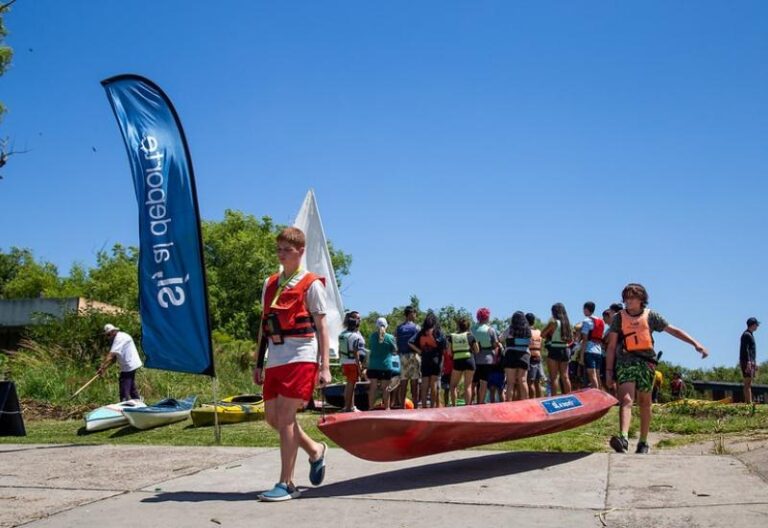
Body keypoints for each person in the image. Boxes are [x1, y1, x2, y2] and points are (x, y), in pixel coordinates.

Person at [253, 227, 331, 502]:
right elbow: (264, 326)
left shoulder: (312, 284)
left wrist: (325, 366)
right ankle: (315, 451)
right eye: (279, 249)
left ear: (301, 251)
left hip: (301, 355)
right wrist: (258, 361)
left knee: (286, 419)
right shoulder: (269, 283)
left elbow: (323, 327)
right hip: (275, 358)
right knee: (273, 418)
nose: (282, 254)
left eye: (287, 249)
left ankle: (286, 483)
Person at [606, 283, 708, 455]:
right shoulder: (619, 318)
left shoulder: (651, 316)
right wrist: (609, 372)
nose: (628, 301)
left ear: (641, 300)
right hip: (625, 361)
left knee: (645, 402)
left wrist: (695, 344)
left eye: (632, 298)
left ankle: (643, 442)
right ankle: (623, 438)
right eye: (626, 298)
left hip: (647, 363)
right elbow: (611, 346)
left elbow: (673, 330)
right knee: (626, 400)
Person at [98, 324, 143, 402]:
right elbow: (114, 358)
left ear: (113, 332)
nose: (108, 337)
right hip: (130, 364)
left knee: (124, 383)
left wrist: (102, 367)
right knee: (131, 384)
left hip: (129, 365)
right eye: (107, 335)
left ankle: (123, 402)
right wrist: (104, 368)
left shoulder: (119, 338)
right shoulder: (119, 337)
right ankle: (137, 400)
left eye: (108, 335)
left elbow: (111, 355)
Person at [409, 311, 445, 408]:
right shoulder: (438, 332)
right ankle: (432, 406)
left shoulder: (421, 332)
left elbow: (410, 342)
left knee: (424, 384)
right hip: (435, 360)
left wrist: (420, 351)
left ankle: (424, 406)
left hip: (425, 360)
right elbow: (444, 346)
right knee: (433, 384)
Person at [541, 303, 573, 395]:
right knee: (565, 376)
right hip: (566, 349)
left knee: (553, 377)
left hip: (554, 349)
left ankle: (554, 398)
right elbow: (571, 339)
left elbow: (542, 334)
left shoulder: (553, 322)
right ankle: (569, 397)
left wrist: (550, 334)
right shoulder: (567, 323)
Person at [366, 317, 398, 410]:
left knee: (373, 388)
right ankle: (387, 408)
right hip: (385, 366)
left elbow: (371, 348)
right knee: (386, 388)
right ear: (386, 326)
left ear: (376, 326)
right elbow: (395, 350)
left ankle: (370, 407)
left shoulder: (372, 336)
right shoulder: (390, 337)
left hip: (373, 366)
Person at [338, 311, 366, 412]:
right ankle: (348, 407)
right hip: (353, 362)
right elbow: (356, 352)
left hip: (344, 362)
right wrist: (359, 365)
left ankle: (350, 406)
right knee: (351, 385)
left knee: (349, 384)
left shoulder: (342, 334)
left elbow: (339, 350)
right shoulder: (355, 336)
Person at [472, 307, 500, 404]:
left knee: (473, 383)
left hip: (474, 358)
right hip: (487, 359)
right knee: (483, 383)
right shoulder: (491, 330)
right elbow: (495, 344)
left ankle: (470, 402)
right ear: (487, 317)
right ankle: (480, 403)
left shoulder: (472, 329)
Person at [447, 318, 479, 406]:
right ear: (468, 326)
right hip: (469, 361)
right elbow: (477, 350)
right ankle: (467, 407)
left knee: (453, 386)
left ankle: (454, 406)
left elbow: (449, 352)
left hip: (458, 361)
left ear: (458, 326)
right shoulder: (471, 336)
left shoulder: (452, 336)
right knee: (468, 386)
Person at [501, 311, 531, 401]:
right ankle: (525, 403)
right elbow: (530, 342)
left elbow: (500, 338)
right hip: (524, 356)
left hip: (510, 355)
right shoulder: (528, 330)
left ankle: (508, 404)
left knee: (510, 382)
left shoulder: (510, 328)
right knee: (523, 381)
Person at [396, 306, 421, 407]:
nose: (415, 316)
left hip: (402, 356)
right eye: (414, 313)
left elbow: (396, 341)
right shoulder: (416, 327)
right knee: (415, 382)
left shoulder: (399, 328)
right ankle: (415, 405)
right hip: (413, 355)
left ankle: (402, 406)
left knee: (403, 382)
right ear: (410, 314)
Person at [578, 302, 605, 390]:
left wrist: (581, 356)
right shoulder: (601, 321)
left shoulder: (586, 321)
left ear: (586, 309)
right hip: (599, 351)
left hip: (589, 350)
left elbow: (585, 340)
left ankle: (597, 397)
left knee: (592, 375)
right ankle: (601, 396)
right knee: (597, 376)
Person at [740, 317, 760, 404]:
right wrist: (748, 361)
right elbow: (746, 349)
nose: (757, 326)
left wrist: (754, 362)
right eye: (756, 325)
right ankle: (748, 402)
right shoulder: (746, 335)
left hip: (750, 361)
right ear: (753, 324)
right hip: (746, 361)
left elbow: (751, 351)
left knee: (749, 382)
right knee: (747, 382)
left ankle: (749, 401)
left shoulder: (750, 334)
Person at [526, 313, 545, 398]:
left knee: (530, 382)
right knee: (538, 382)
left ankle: (532, 402)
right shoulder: (538, 332)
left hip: (531, 358)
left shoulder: (527, 332)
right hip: (538, 357)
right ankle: (540, 401)